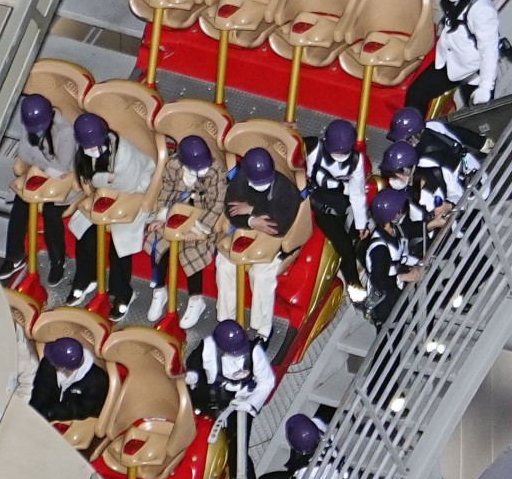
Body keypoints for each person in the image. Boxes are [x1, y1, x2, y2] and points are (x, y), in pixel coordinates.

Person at [68, 112, 155, 322]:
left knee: (120, 243)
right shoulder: (84, 150)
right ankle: (85, 277)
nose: (89, 149)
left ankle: (122, 292)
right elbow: (87, 177)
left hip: (134, 191)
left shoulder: (123, 153)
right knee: (86, 234)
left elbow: (128, 184)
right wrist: (104, 180)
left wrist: (100, 180)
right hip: (107, 193)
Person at [215, 147, 301, 350]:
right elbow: (231, 209)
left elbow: (278, 224)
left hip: (277, 242)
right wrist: (253, 221)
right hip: (247, 232)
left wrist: (252, 210)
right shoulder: (241, 179)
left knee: (261, 274)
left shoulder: (285, 188)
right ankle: (226, 320)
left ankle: (263, 329)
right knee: (225, 263)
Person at [185, 320, 275, 479]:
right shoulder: (208, 347)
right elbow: (194, 360)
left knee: (238, 449)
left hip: (241, 402)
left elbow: (266, 382)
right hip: (212, 397)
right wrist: (192, 374)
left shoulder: (254, 352)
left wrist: (249, 405)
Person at [144, 135, 226, 329]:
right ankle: (159, 289)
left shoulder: (216, 171)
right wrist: (162, 217)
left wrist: (199, 229)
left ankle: (196, 299)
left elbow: (217, 204)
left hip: (202, 218)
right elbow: (166, 191)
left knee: (192, 249)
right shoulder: (173, 166)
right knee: (158, 240)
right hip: (177, 211)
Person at [0, 94, 77, 284]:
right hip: (44, 172)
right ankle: (15, 256)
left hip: (67, 179)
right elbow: (24, 153)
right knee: (20, 201)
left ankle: (58, 260)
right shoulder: (28, 125)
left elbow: (64, 166)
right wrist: (47, 165)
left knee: (51, 212)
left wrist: (42, 162)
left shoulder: (65, 132)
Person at [405, 0, 500, 115]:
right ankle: (414, 134)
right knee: (416, 94)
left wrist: (485, 86)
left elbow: (490, 51)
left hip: (473, 70)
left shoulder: (482, 11)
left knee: (479, 119)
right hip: (450, 61)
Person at [305, 119, 370, 303]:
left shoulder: (356, 161)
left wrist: (361, 223)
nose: (339, 155)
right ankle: (354, 284)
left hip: (338, 206)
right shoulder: (314, 147)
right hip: (315, 202)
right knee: (346, 248)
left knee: (353, 242)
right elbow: (291, 144)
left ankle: (359, 277)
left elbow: (357, 194)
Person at [364, 187, 427, 330]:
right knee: (389, 337)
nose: (403, 212)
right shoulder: (379, 247)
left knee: (398, 329)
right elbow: (379, 281)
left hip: (394, 291)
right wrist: (405, 277)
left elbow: (401, 256)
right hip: (385, 299)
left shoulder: (394, 231)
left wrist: (418, 262)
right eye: (400, 209)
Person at [29, 336, 109, 422]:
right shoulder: (49, 362)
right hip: (48, 414)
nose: (50, 363)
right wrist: (33, 413)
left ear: (63, 368)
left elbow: (84, 410)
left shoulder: (97, 381)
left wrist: (51, 413)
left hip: (77, 421)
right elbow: (40, 390)